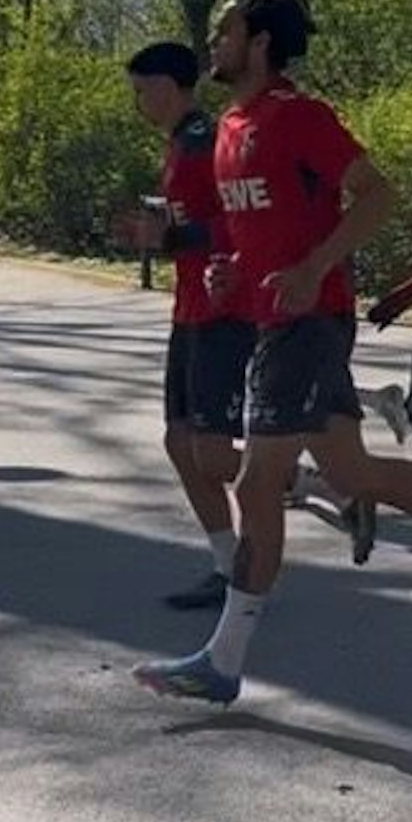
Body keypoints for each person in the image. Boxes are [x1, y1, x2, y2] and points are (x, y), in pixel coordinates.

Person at [133, 0, 412, 705]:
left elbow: (377, 193)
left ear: (261, 44)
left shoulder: (299, 115)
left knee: (255, 481)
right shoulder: (226, 129)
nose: (214, 43)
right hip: (273, 320)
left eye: (226, 32)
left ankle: (223, 660)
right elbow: (251, 235)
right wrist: (227, 273)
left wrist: (316, 266)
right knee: (353, 471)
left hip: (313, 319)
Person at [114, 42, 259, 611]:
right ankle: (225, 566)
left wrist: (173, 238)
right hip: (189, 310)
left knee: (213, 452)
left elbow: (239, 221)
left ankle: (330, 488)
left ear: (169, 88)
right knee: (179, 442)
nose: (137, 102)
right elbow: (188, 221)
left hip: (225, 311)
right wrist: (155, 231)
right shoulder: (179, 144)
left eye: (140, 90)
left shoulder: (207, 143)